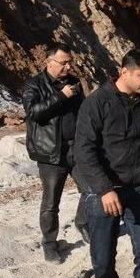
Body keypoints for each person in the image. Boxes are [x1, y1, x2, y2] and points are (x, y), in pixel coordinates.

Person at [74, 50, 140, 278]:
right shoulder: (96, 103)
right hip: (104, 192)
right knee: (102, 255)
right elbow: (83, 151)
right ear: (124, 72)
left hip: (139, 188)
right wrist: (104, 189)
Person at [22, 43, 88, 264]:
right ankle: (49, 243)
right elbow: (33, 113)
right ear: (49, 62)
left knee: (91, 190)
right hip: (50, 152)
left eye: (70, 62)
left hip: (76, 147)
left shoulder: (74, 82)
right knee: (51, 202)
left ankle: (83, 223)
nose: (68, 67)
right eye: (63, 63)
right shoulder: (34, 84)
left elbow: (82, 111)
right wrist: (60, 96)